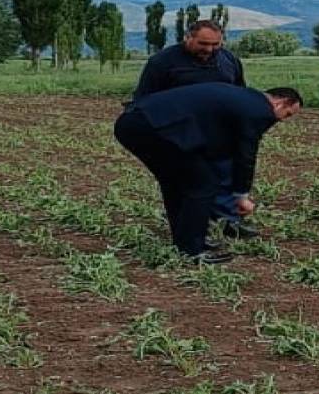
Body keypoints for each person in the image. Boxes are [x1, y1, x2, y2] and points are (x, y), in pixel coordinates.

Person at [115, 83, 301, 263]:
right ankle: (192, 250)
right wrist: (241, 195)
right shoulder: (260, 110)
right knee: (202, 185)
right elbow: (245, 154)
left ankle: (185, 242)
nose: (281, 120)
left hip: (134, 123)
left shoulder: (244, 98)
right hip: (154, 128)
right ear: (280, 102)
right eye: (287, 114)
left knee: (177, 182)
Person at [132, 19, 255, 239]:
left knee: (225, 175)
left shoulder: (229, 60)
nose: (209, 50)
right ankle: (193, 231)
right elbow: (144, 101)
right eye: (203, 44)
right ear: (187, 37)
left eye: (215, 44)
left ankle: (228, 222)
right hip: (180, 135)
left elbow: (239, 94)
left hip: (219, 132)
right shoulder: (162, 62)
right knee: (190, 184)